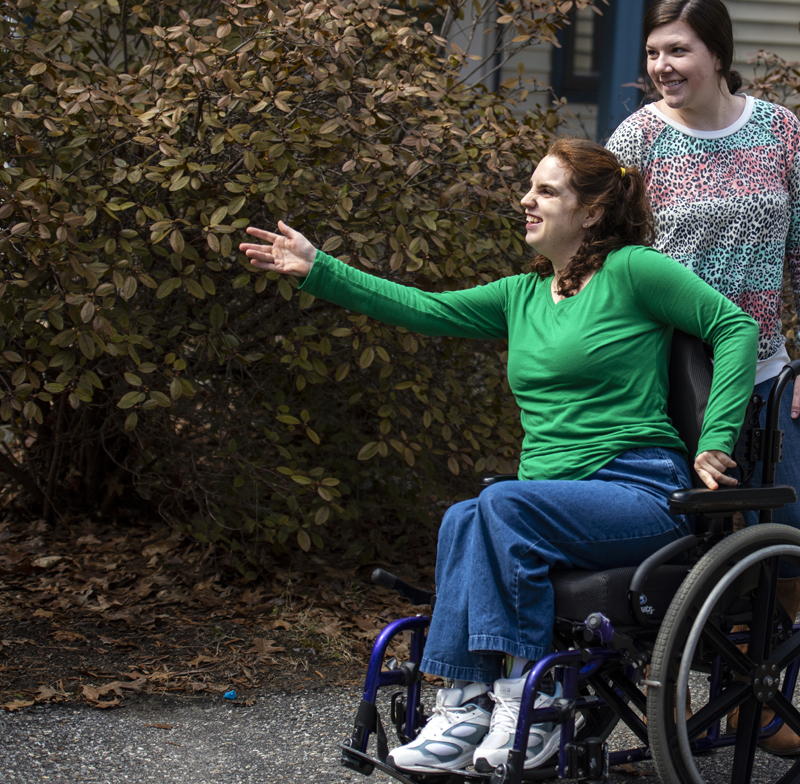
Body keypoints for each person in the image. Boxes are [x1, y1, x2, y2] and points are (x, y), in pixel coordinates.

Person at [240, 138, 758, 773]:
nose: (525, 200)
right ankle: (466, 705)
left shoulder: (633, 271)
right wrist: (320, 268)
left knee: (501, 504)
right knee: (466, 514)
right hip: (550, 502)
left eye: (545, 191)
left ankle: (529, 709)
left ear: (590, 212)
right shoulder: (523, 295)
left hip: (640, 492)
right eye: (529, 187)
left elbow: (735, 327)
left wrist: (715, 440)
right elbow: (423, 309)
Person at [606, 0, 800, 754]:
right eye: (654, 53)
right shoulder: (639, 137)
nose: (662, 67)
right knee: (679, 544)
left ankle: (761, 694)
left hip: (762, 372)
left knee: (781, 540)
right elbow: (603, 247)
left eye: (678, 51)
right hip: (664, 380)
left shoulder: (782, 129)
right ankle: (682, 703)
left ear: (716, 53)